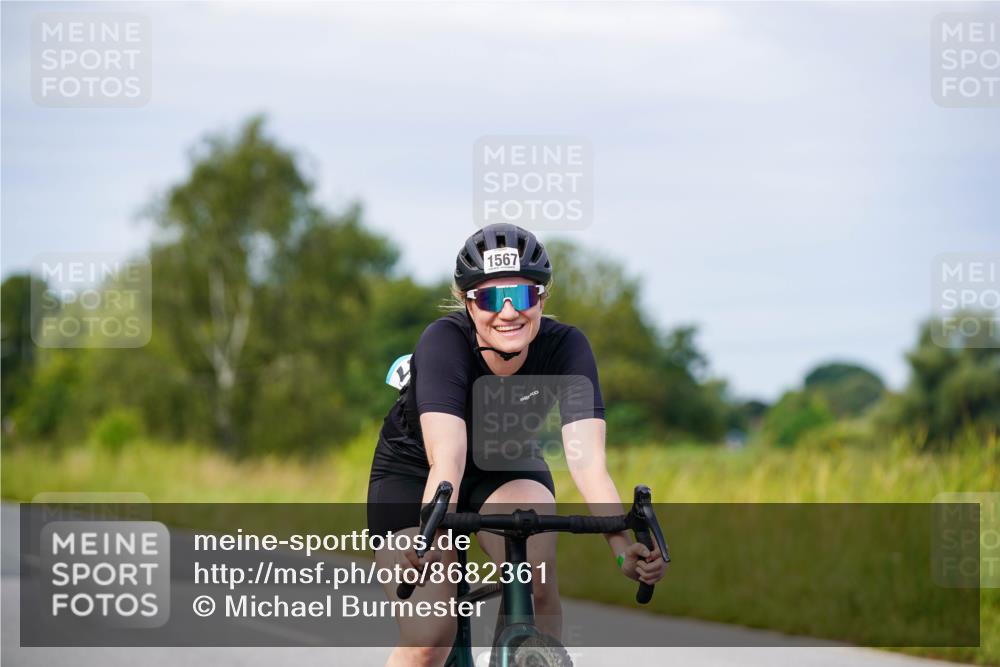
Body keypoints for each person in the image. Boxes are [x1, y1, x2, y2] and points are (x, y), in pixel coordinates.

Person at [366, 223, 666, 667]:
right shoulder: (444, 342)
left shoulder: (567, 348)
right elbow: (446, 457)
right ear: (468, 302)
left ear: (542, 298)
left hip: (504, 463)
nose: (508, 312)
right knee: (430, 636)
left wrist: (623, 549)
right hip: (416, 473)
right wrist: (428, 538)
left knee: (538, 583)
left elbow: (588, 465)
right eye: (490, 298)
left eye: (523, 296)